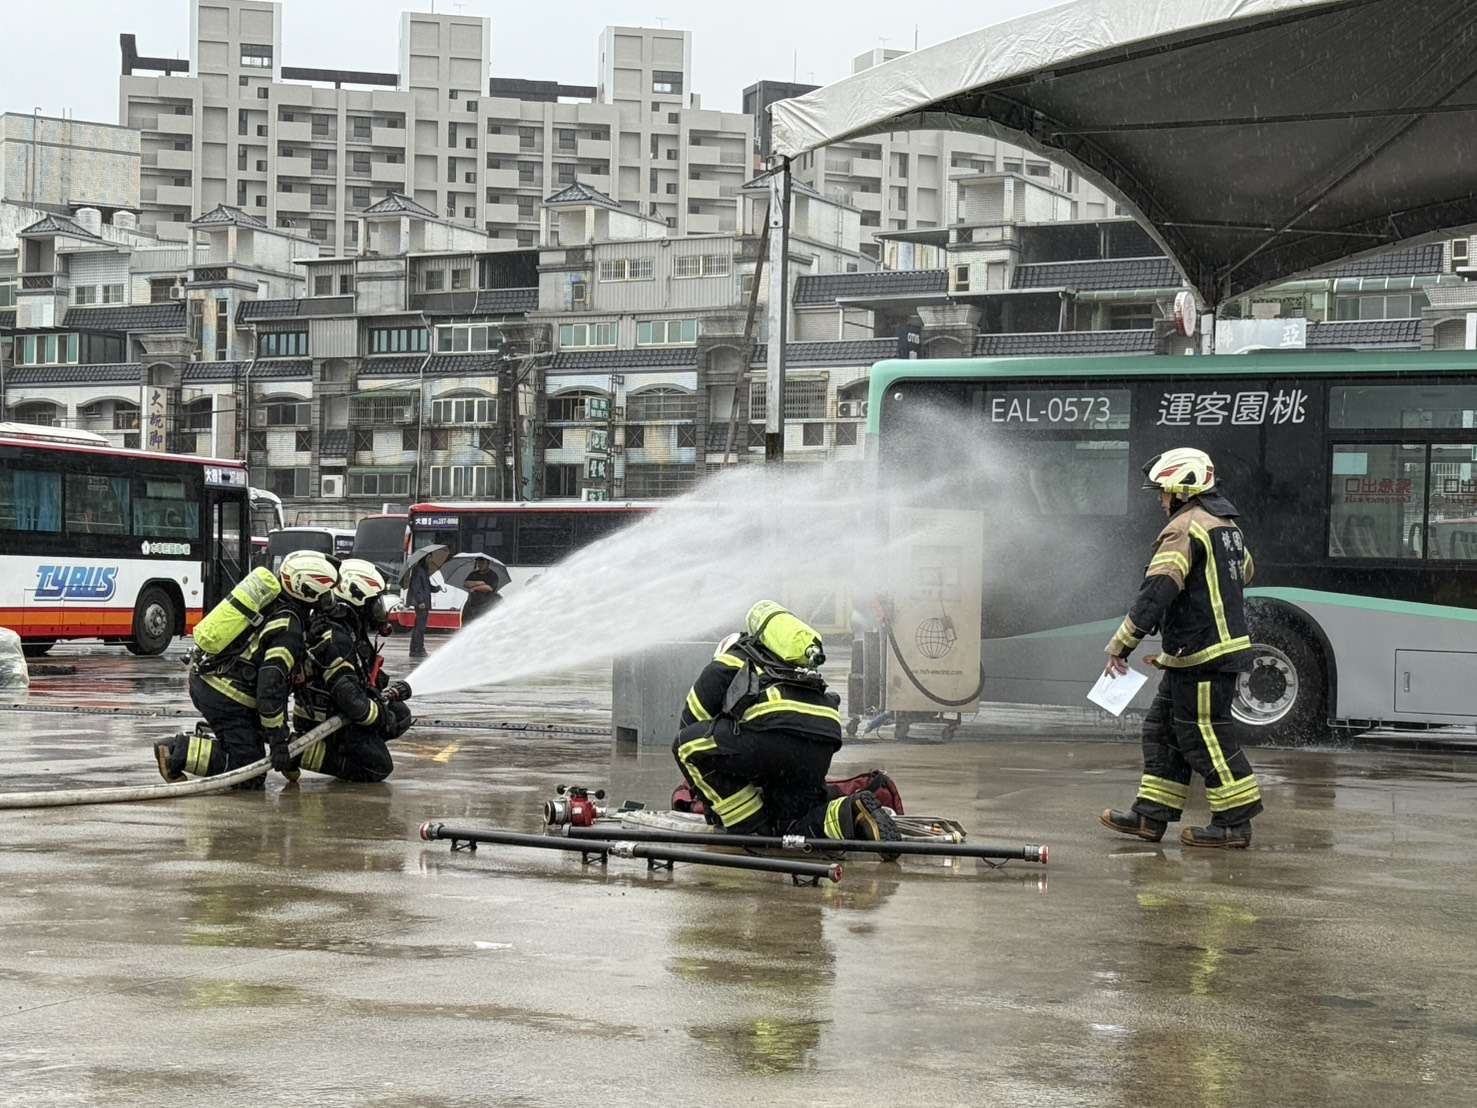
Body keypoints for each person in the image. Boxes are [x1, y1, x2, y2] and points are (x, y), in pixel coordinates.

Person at [1100, 448, 1264, 849]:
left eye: (1162, 491)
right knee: (1163, 732)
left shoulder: (1185, 527)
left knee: (1205, 739)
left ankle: (1233, 823)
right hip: (1194, 656)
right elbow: (1245, 571)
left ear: (1180, 487)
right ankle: (1149, 816)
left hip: (1204, 656)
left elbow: (1157, 591)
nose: (1159, 499)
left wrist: (1121, 643)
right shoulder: (1227, 526)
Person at [672, 600, 899, 843]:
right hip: (821, 742)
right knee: (792, 826)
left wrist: (711, 802)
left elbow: (691, 723)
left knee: (685, 747)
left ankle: (753, 829)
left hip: (775, 734)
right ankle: (852, 812)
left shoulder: (730, 660)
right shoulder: (788, 664)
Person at [155, 550, 339, 788]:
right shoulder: (288, 628)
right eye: (325, 595)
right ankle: (175, 752)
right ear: (308, 590)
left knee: (251, 748)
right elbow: (270, 688)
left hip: (216, 682)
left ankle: (231, 742)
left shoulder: (279, 607)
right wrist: (278, 742)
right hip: (225, 695)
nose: (329, 602)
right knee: (250, 776)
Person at [291, 559, 414, 782]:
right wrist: (381, 717)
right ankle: (301, 753)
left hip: (338, 711)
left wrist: (382, 689)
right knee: (378, 767)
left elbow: (359, 679)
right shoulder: (337, 637)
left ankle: (357, 745)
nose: (380, 609)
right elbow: (350, 700)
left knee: (401, 714)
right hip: (323, 719)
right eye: (375, 602)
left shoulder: (348, 627)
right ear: (357, 598)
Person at [406, 554, 440, 660]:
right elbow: (416, 587)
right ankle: (418, 649)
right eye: (429, 557)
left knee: (419, 626)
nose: (430, 560)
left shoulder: (424, 571)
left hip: (424, 602)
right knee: (420, 627)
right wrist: (420, 601)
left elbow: (426, 586)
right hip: (421, 603)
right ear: (424, 558)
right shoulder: (418, 570)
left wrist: (436, 588)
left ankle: (415, 649)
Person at [459, 558, 502, 626]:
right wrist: (480, 582)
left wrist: (474, 588)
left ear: (488, 563)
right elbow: (466, 583)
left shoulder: (492, 575)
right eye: (479, 562)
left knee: (482, 623)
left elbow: (489, 588)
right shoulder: (473, 574)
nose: (480, 565)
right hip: (472, 603)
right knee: (466, 622)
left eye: (482, 563)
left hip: (486, 604)